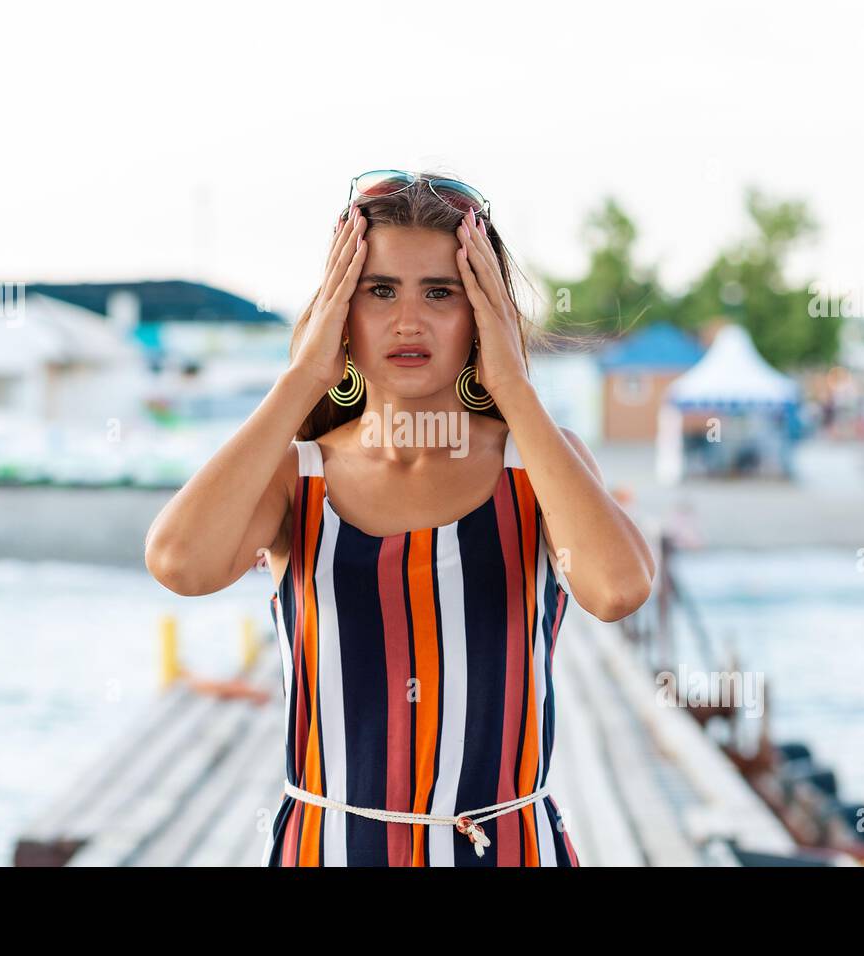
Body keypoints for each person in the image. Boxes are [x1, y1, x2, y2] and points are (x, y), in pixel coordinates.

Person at [144, 170, 656, 867]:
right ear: (340, 311)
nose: (407, 321)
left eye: (441, 293)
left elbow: (616, 589)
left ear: (483, 313)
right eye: (379, 291)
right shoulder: (298, 477)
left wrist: (513, 385)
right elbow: (180, 564)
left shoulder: (537, 464)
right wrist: (301, 378)